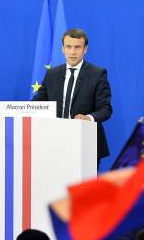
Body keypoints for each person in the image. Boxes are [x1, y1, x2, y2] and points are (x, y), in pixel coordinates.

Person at [33, 28, 113, 168]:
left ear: (85, 49)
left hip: (86, 143)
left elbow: (105, 109)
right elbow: (35, 104)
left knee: (84, 189)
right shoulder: (52, 74)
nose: (72, 52)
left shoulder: (97, 74)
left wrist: (88, 118)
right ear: (63, 49)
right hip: (55, 143)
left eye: (77, 47)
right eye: (68, 47)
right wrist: (8, 115)